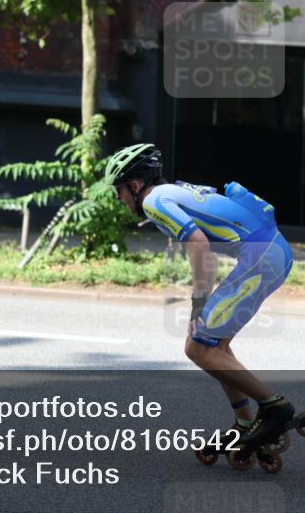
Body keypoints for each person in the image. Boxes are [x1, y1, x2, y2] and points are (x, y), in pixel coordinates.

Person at [104, 143, 295, 451]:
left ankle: (274, 407)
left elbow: (198, 243)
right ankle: (244, 423)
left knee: (197, 347)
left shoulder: (153, 201)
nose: (118, 197)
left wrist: (199, 302)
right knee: (215, 345)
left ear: (135, 186)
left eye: (119, 189)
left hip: (262, 257)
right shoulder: (169, 192)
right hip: (272, 252)